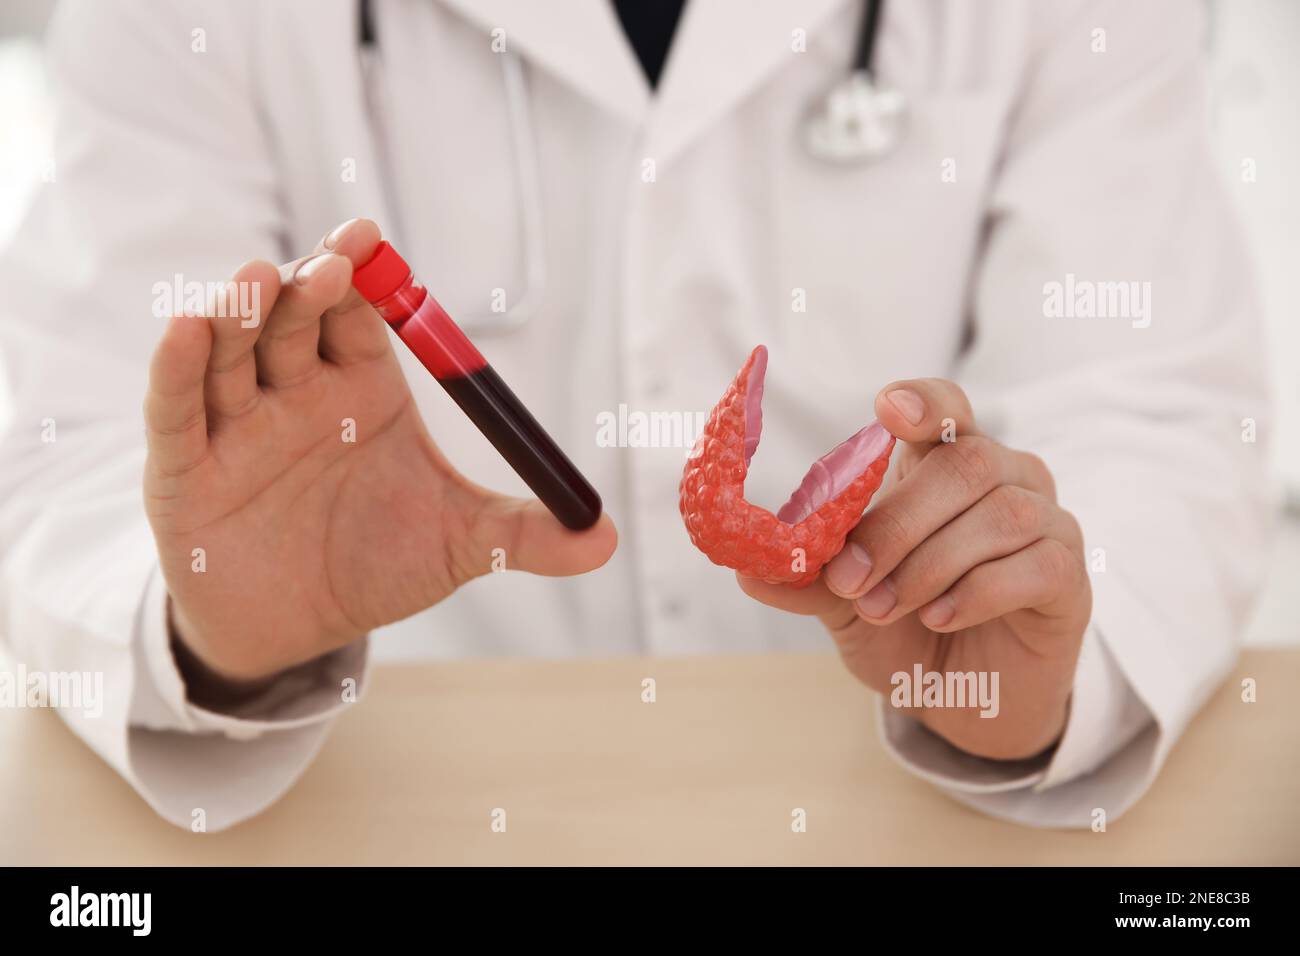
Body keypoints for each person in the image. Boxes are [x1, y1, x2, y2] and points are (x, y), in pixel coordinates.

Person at [0, 0, 1270, 833]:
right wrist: (216, 613)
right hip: (397, 810)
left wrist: (1029, 667)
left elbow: (1153, 408)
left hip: (890, 820)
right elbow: (79, 444)